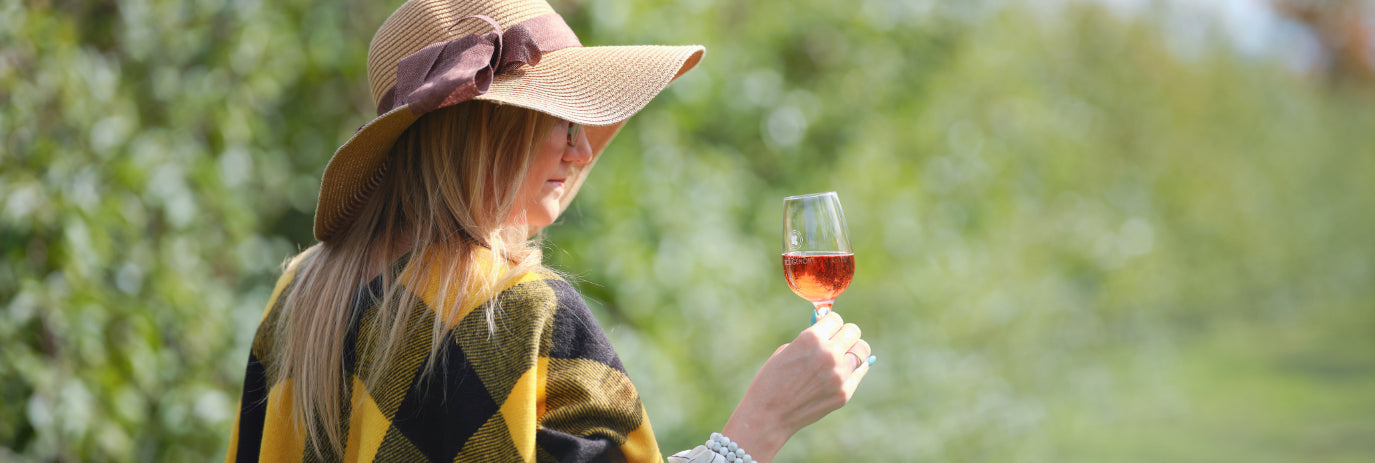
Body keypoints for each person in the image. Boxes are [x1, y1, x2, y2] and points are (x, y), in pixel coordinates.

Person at [225, 0, 874, 461]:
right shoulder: (514, 308)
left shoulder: (302, 293)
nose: (581, 151)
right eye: (560, 119)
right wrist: (756, 429)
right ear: (487, 129)